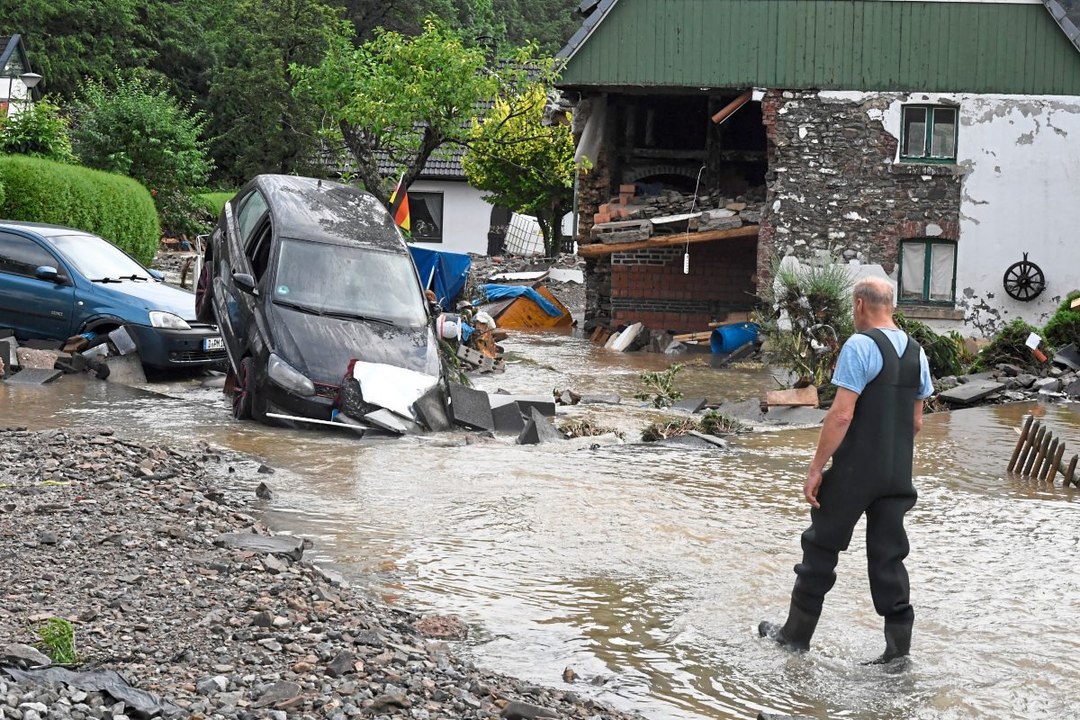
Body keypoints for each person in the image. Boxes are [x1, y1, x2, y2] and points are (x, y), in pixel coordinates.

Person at [759, 276, 934, 664]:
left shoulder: (860, 345)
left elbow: (840, 415)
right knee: (889, 557)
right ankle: (897, 655)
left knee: (820, 547)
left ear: (859, 305)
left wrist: (816, 468)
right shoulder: (917, 353)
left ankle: (794, 637)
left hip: (856, 472)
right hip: (897, 475)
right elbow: (917, 423)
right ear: (891, 305)